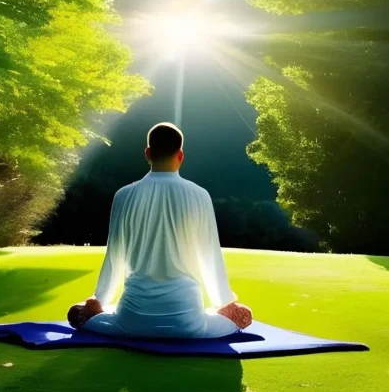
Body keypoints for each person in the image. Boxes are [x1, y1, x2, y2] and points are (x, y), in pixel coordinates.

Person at [67, 122, 253, 339]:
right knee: (244, 314)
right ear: (181, 156)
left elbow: (114, 256)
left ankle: (102, 309)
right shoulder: (199, 195)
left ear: (147, 153)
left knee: (77, 313)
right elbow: (209, 255)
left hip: (131, 323)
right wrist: (223, 302)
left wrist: (99, 301)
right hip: (188, 326)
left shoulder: (123, 195)